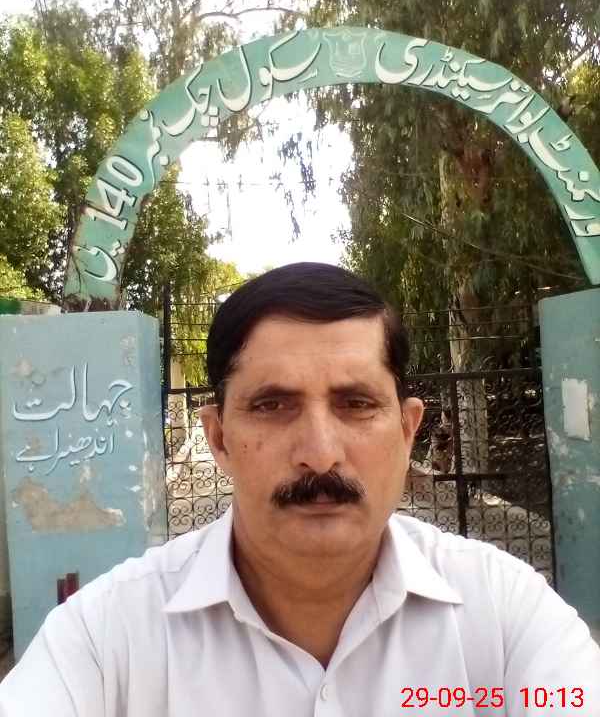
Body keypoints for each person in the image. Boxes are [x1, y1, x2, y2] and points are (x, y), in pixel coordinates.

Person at [0, 262, 598, 716]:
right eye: (273, 405)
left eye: (356, 403)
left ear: (408, 430)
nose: (320, 452)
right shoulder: (106, 638)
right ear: (219, 437)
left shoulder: (505, 614)